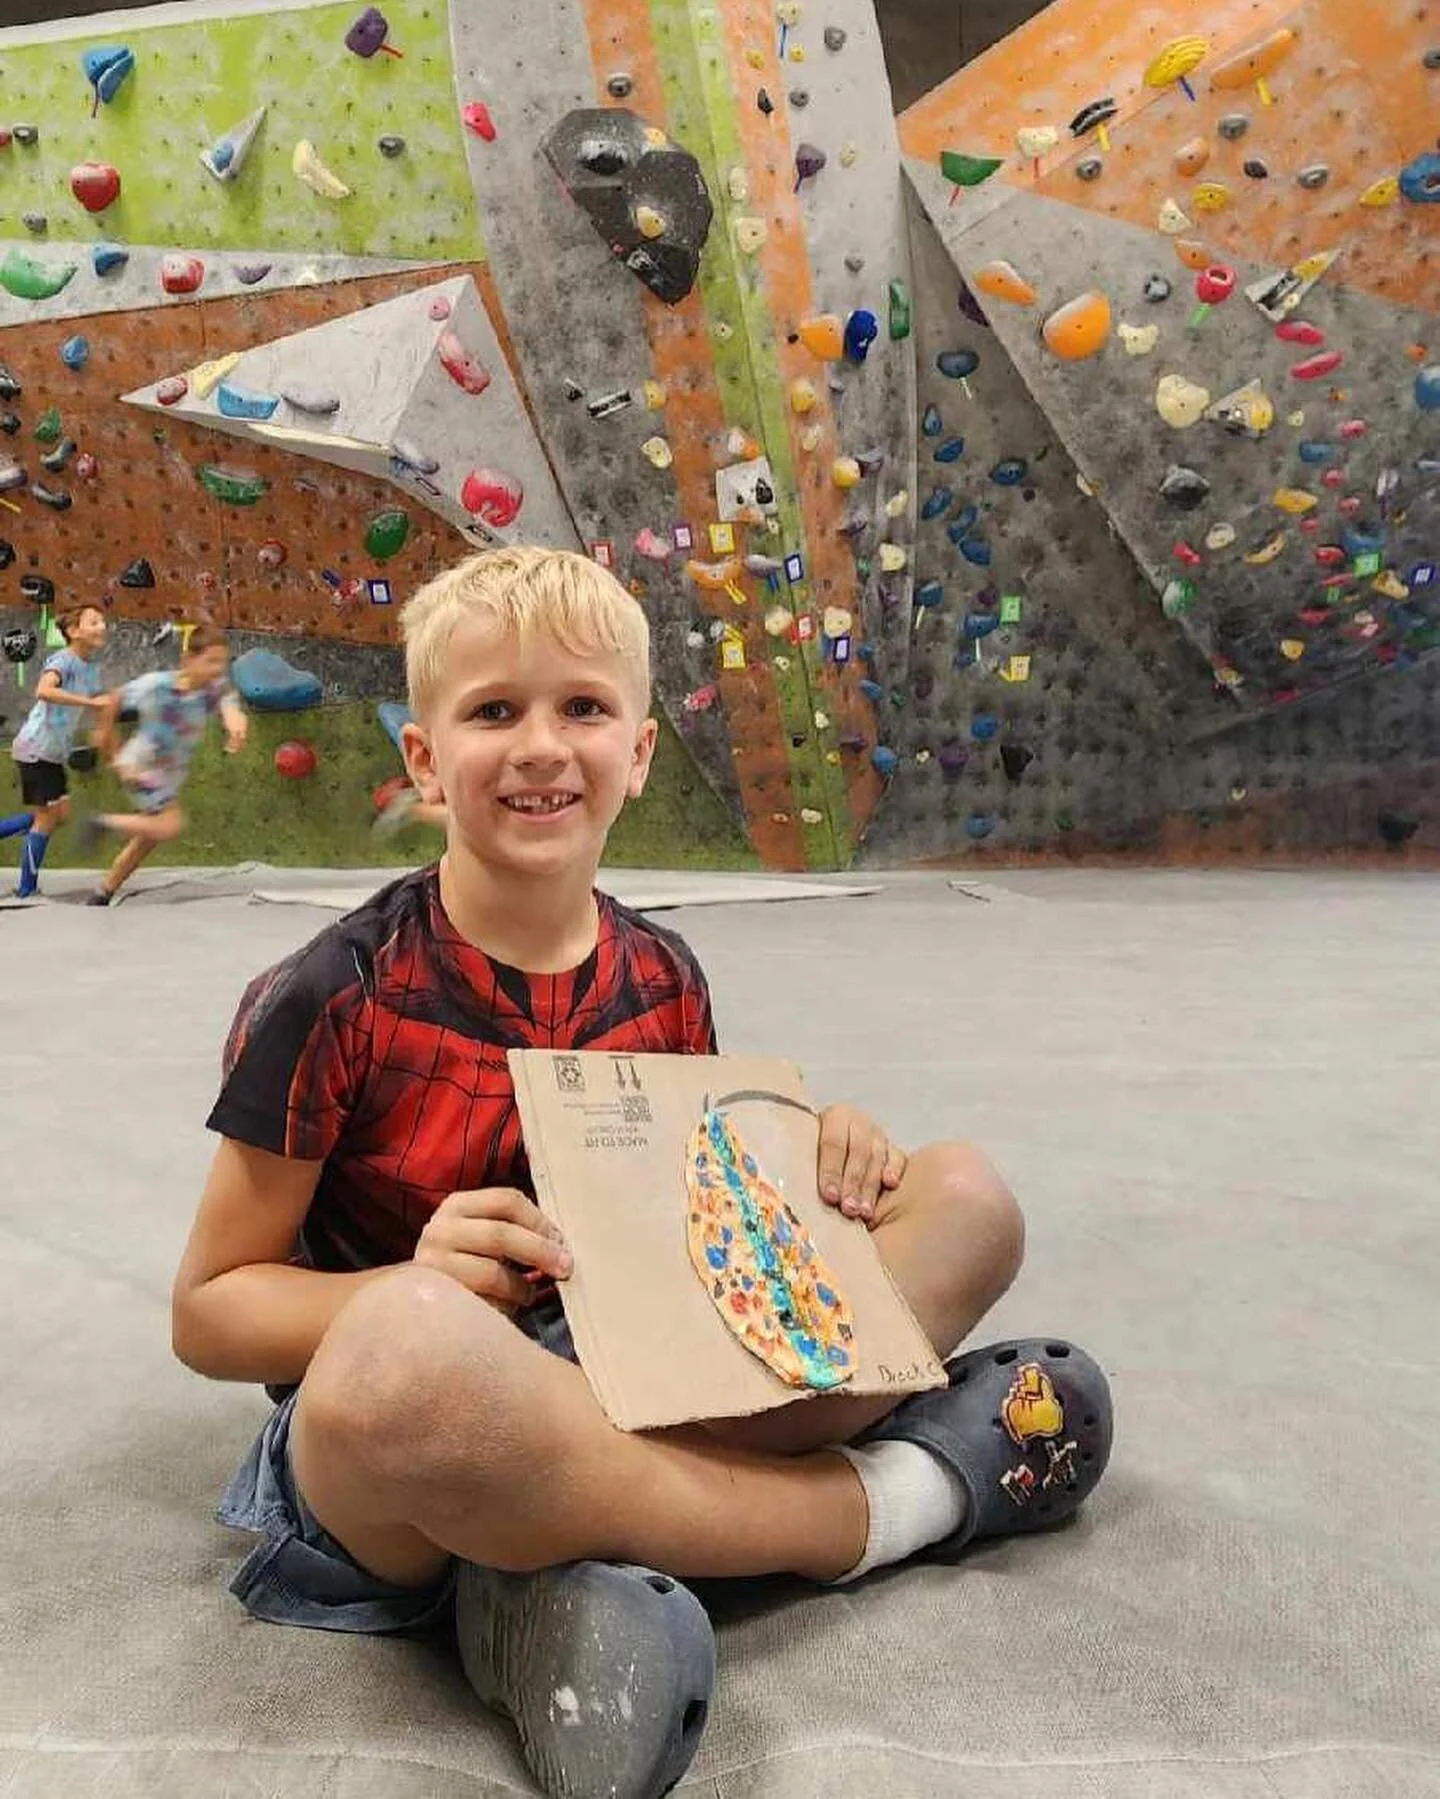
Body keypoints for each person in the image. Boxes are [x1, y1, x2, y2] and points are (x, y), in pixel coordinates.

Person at [171, 548, 1113, 1799]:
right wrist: (410, 1279)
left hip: (628, 1375)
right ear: (422, 760)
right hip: (403, 1434)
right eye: (494, 710)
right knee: (409, 1348)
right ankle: (890, 1504)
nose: (542, 745)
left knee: (964, 1197)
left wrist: (815, 1156)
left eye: (584, 707)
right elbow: (209, 1307)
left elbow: (695, 1232)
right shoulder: (328, 993)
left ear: (643, 750)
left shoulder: (663, 977)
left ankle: (548, 1574)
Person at [78, 622, 247, 906]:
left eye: (222, 662)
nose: (218, 669)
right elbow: (112, 700)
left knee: (147, 837)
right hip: (142, 767)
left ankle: (103, 892)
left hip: (168, 774)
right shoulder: (157, 686)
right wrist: (111, 749)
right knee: (170, 825)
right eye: (211, 661)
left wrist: (235, 723)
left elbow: (229, 703)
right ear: (188, 659)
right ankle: (100, 822)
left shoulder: (212, 689)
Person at [0, 603, 109, 898]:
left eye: (102, 621)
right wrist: (91, 704)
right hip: (37, 749)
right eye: (93, 621)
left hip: (51, 752)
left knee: (58, 815)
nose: (102, 626)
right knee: (46, 819)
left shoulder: (89, 668)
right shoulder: (63, 660)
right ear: (73, 631)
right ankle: (26, 888)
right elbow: (44, 690)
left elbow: (101, 700)